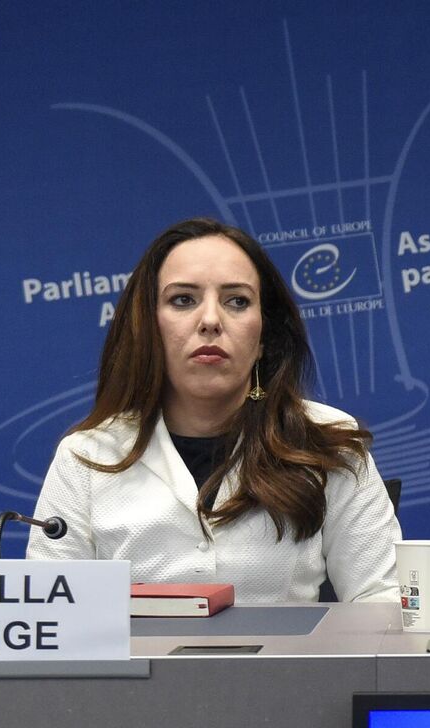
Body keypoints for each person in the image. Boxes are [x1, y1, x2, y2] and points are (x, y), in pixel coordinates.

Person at [28, 217, 401, 602]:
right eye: (183, 300)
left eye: (237, 301)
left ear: (263, 338)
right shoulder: (86, 457)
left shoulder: (325, 441)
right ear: (149, 328)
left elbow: (382, 602)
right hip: (135, 666)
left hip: (285, 665)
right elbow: (49, 619)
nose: (210, 321)